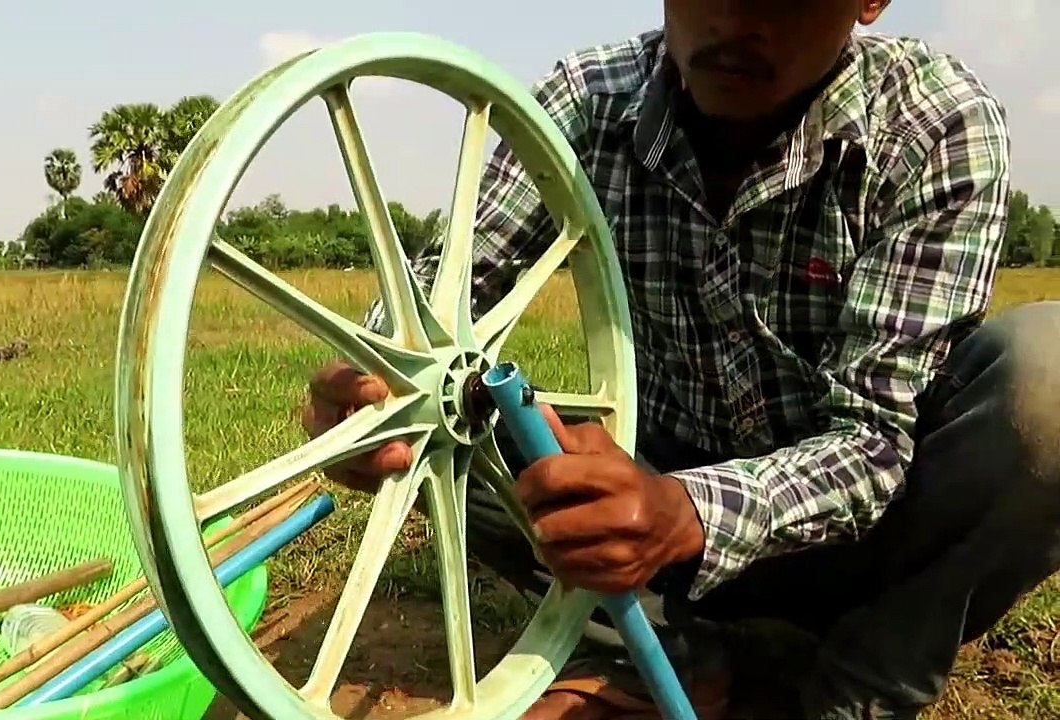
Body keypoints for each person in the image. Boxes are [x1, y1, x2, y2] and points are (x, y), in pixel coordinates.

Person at [301, 2, 1060, 718]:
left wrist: (688, 512)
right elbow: (443, 296)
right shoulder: (586, 102)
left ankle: (856, 685)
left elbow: (871, 442)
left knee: (1049, 378)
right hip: (646, 513)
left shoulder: (934, 125)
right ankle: (660, 646)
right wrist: (373, 393)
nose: (732, 19)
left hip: (865, 536)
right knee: (460, 421)